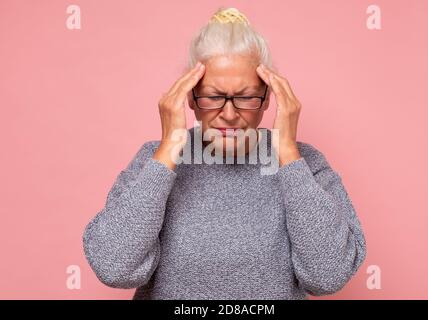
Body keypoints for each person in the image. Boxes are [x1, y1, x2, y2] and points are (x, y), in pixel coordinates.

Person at [82, 7, 366, 300]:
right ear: (189, 99)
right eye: (213, 97)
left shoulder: (305, 163)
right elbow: (114, 267)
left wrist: (288, 154)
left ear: (269, 99)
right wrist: (168, 148)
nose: (229, 114)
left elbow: (328, 275)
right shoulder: (154, 160)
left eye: (245, 98)